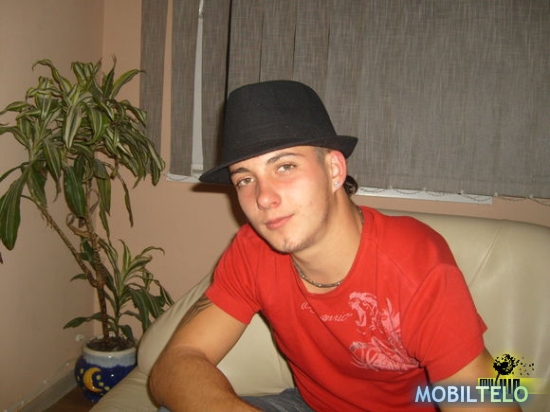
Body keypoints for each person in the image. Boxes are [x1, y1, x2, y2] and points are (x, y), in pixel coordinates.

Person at [149, 81, 519, 411]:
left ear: (334, 170)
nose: (263, 198)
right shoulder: (252, 250)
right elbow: (174, 365)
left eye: (284, 167)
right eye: (245, 179)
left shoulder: (416, 263)